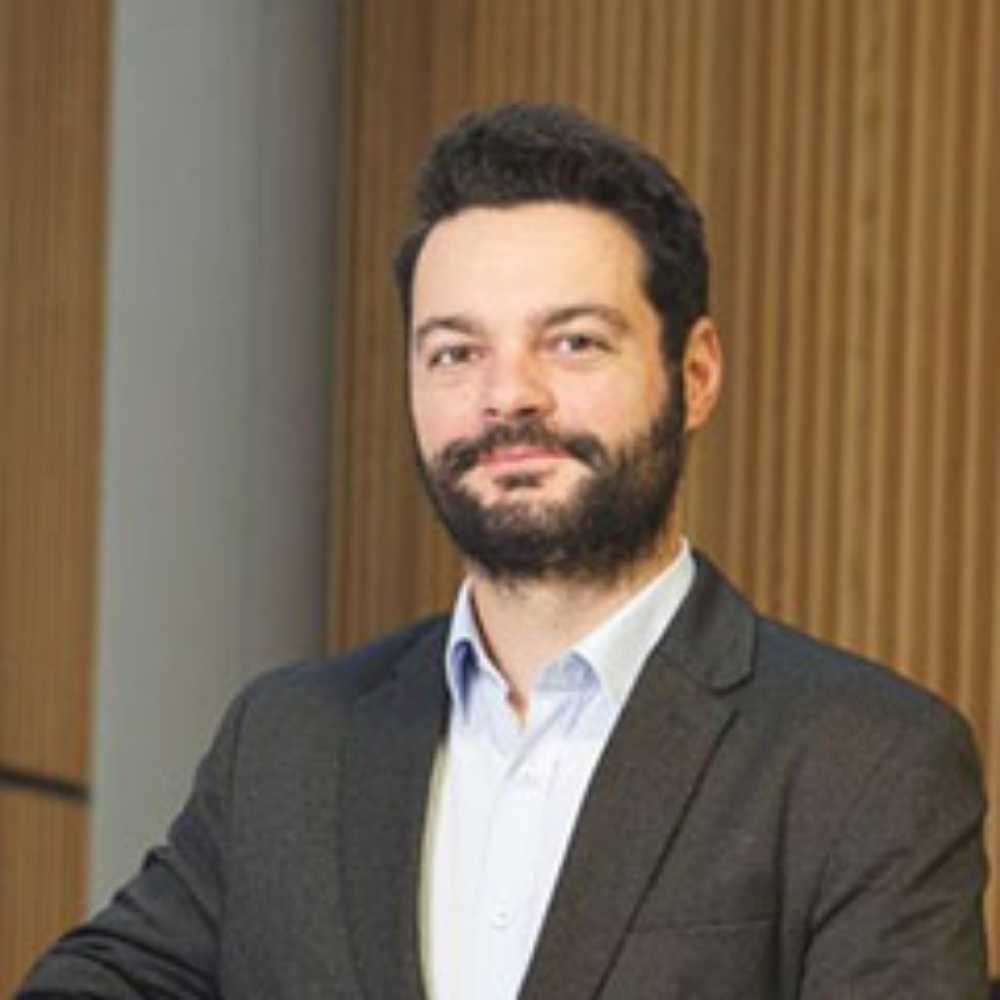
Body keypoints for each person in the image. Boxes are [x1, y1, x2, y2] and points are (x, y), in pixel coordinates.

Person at [19, 103, 988, 999]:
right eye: (455, 351)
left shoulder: (868, 761)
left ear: (694, 375)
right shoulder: (287, 743)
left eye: (572, 343)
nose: (507, 395)